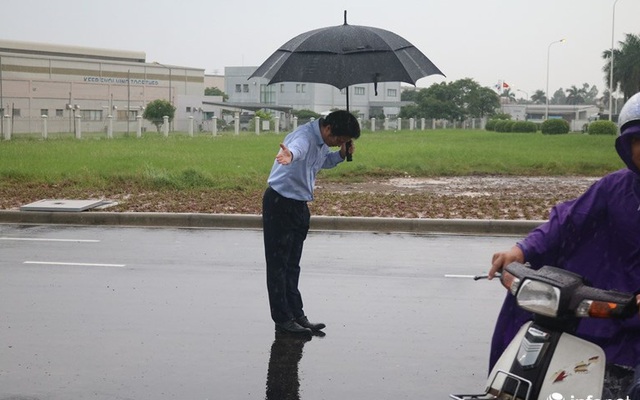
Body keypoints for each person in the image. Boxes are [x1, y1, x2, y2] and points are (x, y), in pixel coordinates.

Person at [487, 92, 640, 398]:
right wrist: (521, 250)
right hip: (610, 309)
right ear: (627, 146)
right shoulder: (615, 187)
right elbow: (568, 220)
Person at [262, 110, 360, 335]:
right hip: (280, 203)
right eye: (338, 139)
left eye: (344, 141)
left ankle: (297, 315)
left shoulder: (322, 140)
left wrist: (340, 154)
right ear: (327, 129)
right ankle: (283, 319)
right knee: (278, 266)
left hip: (298, 205)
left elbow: (322, 161)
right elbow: (298, 150)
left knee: (292, 265)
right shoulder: (304, 137)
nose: (338, 143)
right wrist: (290, 156)